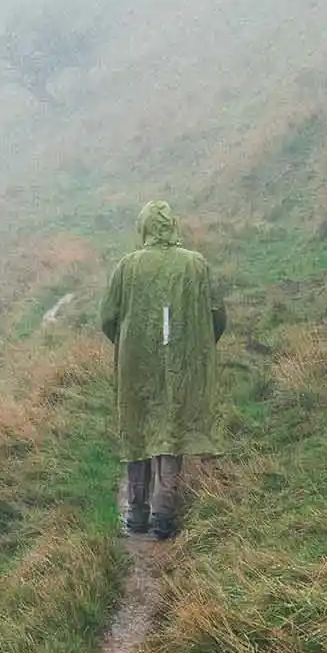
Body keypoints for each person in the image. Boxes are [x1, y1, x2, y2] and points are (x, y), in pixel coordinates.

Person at [101, 200, 226, 540]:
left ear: (143, 228)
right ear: (173, 226)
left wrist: (127, 343)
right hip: (181, 363)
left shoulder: (127, 268)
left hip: (136, 364)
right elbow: (216, 314)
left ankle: (136, 514)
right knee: (171, 430)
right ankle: (164, 516)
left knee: (137, 430)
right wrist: (197, 347)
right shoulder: (196, 265)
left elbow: (108, 318)